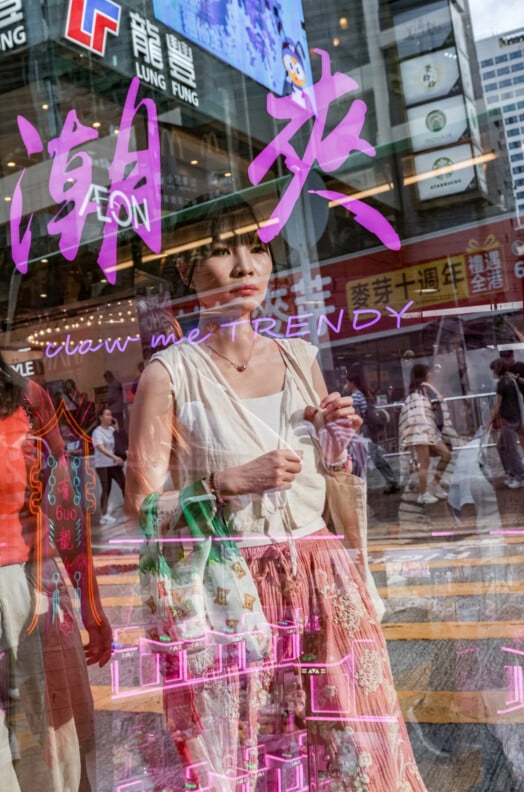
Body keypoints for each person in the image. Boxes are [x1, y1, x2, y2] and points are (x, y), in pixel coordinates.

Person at [125, 200, 427, 792]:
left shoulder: (299, 356)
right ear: (187, 271)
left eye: (256, 249)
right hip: (236, 591)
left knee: (352, 748)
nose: (244, 266)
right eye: (222, 251)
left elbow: (330, 477)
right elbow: (142, 507)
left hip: (323, 577)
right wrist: (224, 483)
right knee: (257, 754)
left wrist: (335, 444)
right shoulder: (170, 374)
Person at [0, 354, 112, 791]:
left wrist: (92, 608)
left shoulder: (27, 399)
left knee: (56, 754)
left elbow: (63, 505)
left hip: (31, 587)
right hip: (28, 586)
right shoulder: (25, 398)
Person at [399, 363, 452, 505]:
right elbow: (434, 406)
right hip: (422, 430)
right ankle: (423, 494)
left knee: (445, 455)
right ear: (424, 375)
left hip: (427, 429)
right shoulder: (425, 390)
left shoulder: (417, 391)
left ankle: (433, 485)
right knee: (425, 463)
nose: (431, 374)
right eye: (428, 372)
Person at [345, 365, 399, 493]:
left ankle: (359, 486)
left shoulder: (355, 396)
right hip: (369, 432)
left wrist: (355, 436)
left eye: (347, 382)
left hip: (363, 433)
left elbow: (357, 417)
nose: (345, 385)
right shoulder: (363, 394)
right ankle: (390, 480)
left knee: (367, 458)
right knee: (375, 456)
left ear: (352, 383)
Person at [489, 358, 524, 489]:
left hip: (507, 420)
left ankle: (521, 477)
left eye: (493, 370)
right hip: (514, 419)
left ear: (497, 370)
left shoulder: (502, 384)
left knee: (510, 449)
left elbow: (498, 404)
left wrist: (490, 420)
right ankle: (512, 473)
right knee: (502, 446)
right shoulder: (511, 381)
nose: (493, 373)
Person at [499, 349, 524, 465]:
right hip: (512, 404)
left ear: (512, 356)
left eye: (507, 358)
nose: (506, 361)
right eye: (503, 359)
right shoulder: (504, 369)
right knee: (520, 430)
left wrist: (518, 379)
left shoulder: (522, 366)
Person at [92, 406, 126, 524]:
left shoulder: (111, 429)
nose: (110, 417)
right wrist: (115, 457)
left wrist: (117, 429)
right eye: (107, 414)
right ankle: (104, 515)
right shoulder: (97, 432)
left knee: (124, 484)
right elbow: (101, 448)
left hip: (113, 464)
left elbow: (120, 442)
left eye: (110, 414)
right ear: (100, 417)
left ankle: (130, 508)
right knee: (106, 489)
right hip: (102, 465)